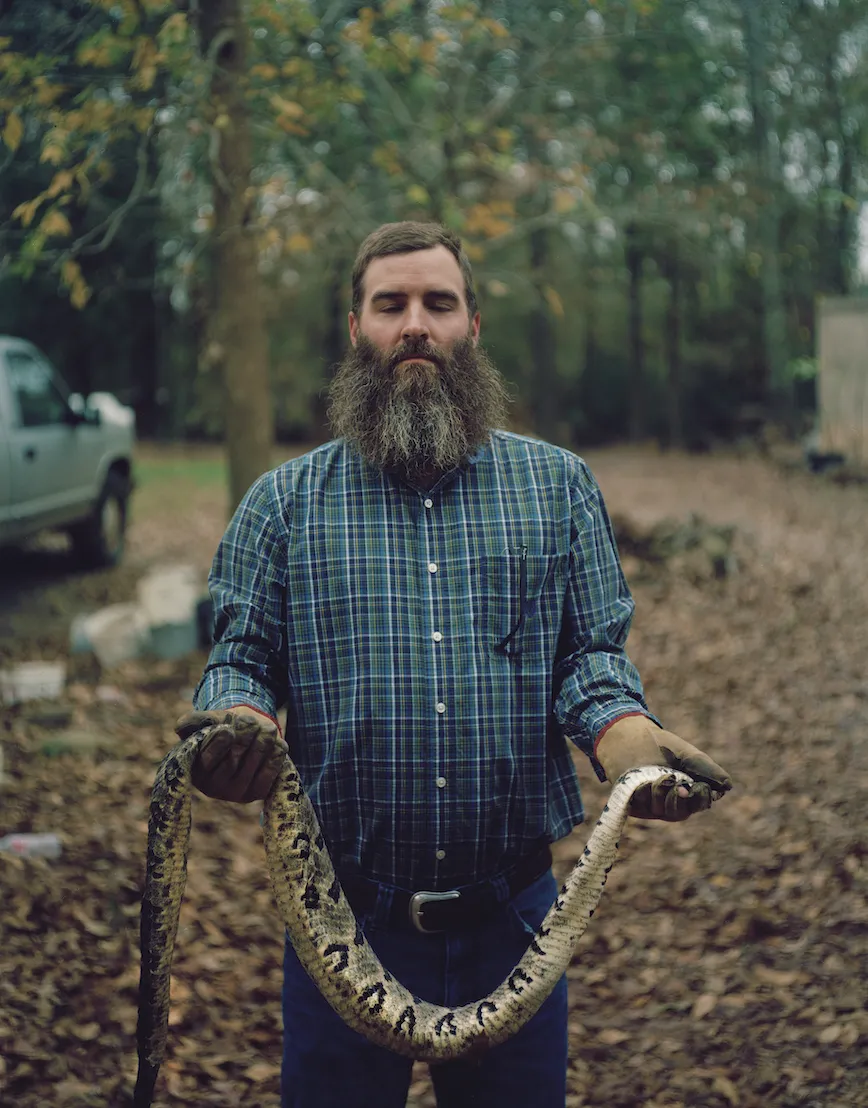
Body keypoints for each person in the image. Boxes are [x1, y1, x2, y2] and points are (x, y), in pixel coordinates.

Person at [180, 221, 732, 1108]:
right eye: (389, 304)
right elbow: (242, 660)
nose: (415, 325)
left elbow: (590, 657)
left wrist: (627, 741)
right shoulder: (281, 505)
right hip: (342, 926)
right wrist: (239, 725)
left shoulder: (557, 489)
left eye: (439, 303)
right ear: (354, 329)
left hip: (513, 923)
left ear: (473, 327)